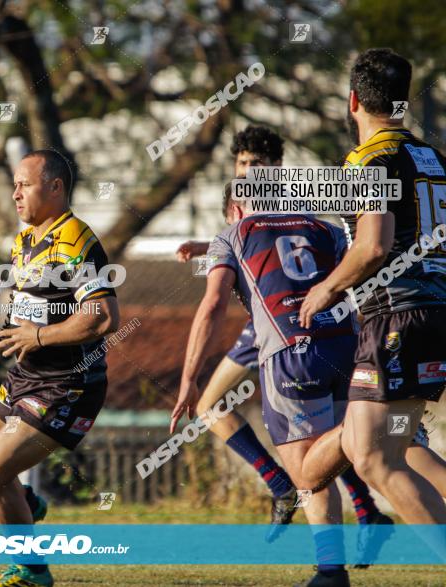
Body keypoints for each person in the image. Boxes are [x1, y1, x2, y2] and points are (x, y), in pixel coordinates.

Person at [175, 126, 388, 546]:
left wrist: (217, 244)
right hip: (316, 331)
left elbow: (251, 248)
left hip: (281, 328)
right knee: (213, 406)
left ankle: (303, 499)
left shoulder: (262, 219)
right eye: (242, 165)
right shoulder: (314, 224)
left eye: (257, 165)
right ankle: (301, 492)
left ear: (276, 170)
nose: (248, 172)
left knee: (314, 445)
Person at [174, 181, 362, 587]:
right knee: (350, 457)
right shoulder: (325, 229)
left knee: (309, 475)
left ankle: (331, 571)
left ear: (234, 210)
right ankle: (371, 443)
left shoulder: (234, 234)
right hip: (348, 346)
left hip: (293, 353)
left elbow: (212, 306)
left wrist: (189, 377)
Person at [0, 149, 120, 587]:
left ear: (55, 187)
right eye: (14, 184)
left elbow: (103, 317)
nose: (14, 194)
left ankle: (32, 574)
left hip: (67, 384)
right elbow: (17, 305)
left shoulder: (77, 243)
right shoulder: (24, 239)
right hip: (27, 377)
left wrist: (39, 337)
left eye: (23, 184)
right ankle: (26, 505)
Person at [299, 48, 446, 546]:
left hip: (398, 316)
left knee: (375, 459)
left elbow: (374, 246)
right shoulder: (436, 160)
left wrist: (325, 288)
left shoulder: (367, 160)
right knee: (389, 447)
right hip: (437, 312)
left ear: (353, 100)